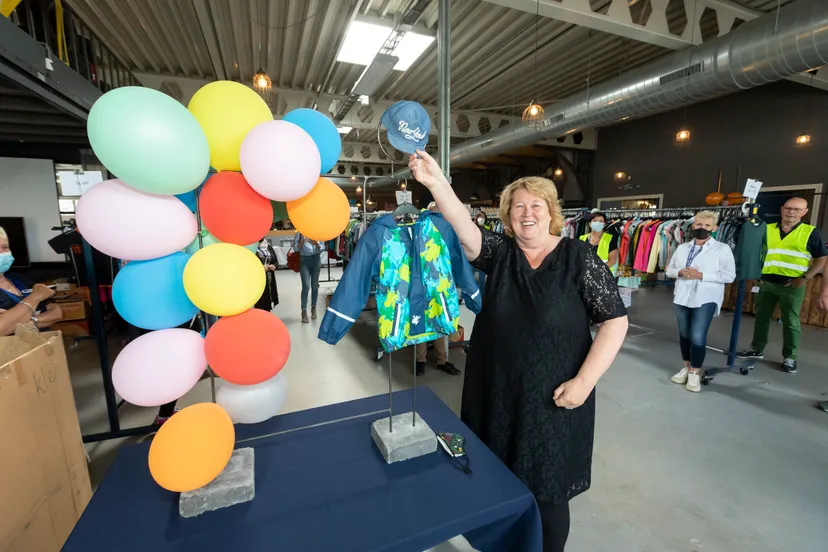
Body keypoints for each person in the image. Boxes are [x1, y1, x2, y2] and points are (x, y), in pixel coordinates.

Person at [410, 150, 628, 552]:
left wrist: (585, 380)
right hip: (496, 391)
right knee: (495, 479)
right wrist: (436, 182)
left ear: (552, 212)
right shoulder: (500, 254)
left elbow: (615, 321)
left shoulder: (578, 258)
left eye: (536, 206)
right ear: (508, 216)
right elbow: (461, 225)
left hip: (555, 398)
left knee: (547, 493)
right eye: (518, 207)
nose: (527, 214)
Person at [737, 198, 828, 373]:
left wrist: (805, 278)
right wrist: (755, 274)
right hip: (765, 283)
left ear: (804, 212)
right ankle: (756, 349)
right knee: (761, 318)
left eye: (796, 209)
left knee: (791, 322)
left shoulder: (810, 232)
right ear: (781, 209)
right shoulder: (766, 228)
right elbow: (756, 252)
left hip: (792, 285)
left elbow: (822, 258)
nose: (791, 212)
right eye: (788, 208)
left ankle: (790, 357)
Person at [665, 211, 736, 392]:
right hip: (682, 296)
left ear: (714, 228)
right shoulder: (682, 248)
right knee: (684, 334)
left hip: (705, 298)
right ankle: (687, 367)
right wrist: (679, 273)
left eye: (706, 226)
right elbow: (669, 270)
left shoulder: (722, 249)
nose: (702, 228)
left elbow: (729, 275)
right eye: (698, 225)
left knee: (697, 336)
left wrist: (701, 275)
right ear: (692, 226)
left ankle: (695, 372)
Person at [0, 227, 63, 335]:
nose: (1, 253)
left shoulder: (19, 279)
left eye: (5, 247)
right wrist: (35, 297)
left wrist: (30, 322)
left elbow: (57, 313)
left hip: (43, 346)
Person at [293, 232, 325, 323]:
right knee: (306, 286)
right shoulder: (299, 233)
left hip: (316, 259)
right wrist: (301, 243)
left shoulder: (317, 232)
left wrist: (317, 244)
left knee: (315, 286)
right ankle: (304, 311)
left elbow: (323, 248)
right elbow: (295, 248)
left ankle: (313, 308)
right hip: (304, 260)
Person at [254, 237, 279, 312]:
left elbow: (275, 261)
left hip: (270, 277)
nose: (264, 241)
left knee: (269, 296)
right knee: (260, 299)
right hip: (258, 278)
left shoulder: (269, 248)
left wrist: (274, 266)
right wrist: (261, 268)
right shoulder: (254, 250)